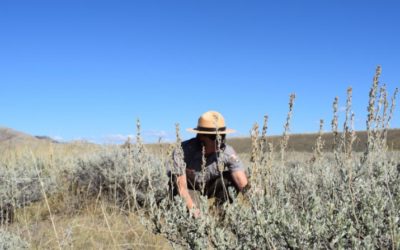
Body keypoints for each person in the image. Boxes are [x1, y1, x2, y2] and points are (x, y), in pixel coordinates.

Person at [169, 111, 249, 217]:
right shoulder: (182, 151)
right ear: (201, 137)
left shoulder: (227, 152)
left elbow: (243, 184)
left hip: (209, 186)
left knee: (231, 179)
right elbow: (182, 188)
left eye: (222, 136)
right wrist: (193, 210)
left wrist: (258, 204)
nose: (220, 141)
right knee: (191, 218)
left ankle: (218, 215)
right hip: (190, 188)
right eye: (214, 138)